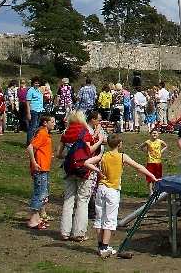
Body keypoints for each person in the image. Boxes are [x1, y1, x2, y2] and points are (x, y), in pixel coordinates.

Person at [84, 133, 159, 258]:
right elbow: (138, 167)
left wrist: (98, 171)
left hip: (101, 188)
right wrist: (152, 176)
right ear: (119, 144)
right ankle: (105, 247)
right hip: (112, 190)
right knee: (109, 219)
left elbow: (87, 162)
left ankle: (100, 245)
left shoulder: (103, 155)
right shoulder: (122, 156)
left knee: (99, 218)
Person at [58, 109, 97, 241]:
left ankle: (65, 232)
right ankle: (79, 232)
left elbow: (58, 154)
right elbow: (88, 151)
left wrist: (70, 157)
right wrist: (99, 141)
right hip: (83, 170)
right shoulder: (84, 133)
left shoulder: (66, 133)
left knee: (68, 201)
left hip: (69, 169)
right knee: (82, 201)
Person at [26, 114, 56, 229]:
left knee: (43, 193)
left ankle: (37, 217)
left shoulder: (46, 135)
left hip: (44, 168)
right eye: (52, 122)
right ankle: (33, 218)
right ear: (45, 123)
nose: (54, 124)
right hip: (40, 168)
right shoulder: (42, 134)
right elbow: (30, 147)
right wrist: (34, 162)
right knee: (40, 193)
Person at [26, 76, 45, 144]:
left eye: (38, 83)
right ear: (33, 83)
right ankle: (29, 142)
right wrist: (28, 113)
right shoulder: (30, 91)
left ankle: (34, 141)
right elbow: (28, 103)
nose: (37, 84)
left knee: (36, 126)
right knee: (32, 127)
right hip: (33, 110)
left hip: (39, 110)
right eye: (35, 83)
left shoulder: (38, 90)